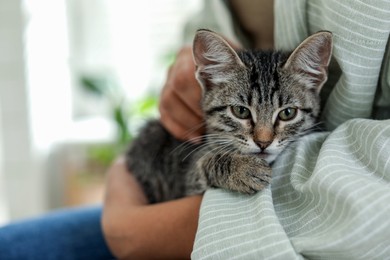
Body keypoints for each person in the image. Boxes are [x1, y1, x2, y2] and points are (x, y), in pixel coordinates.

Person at [1, 0, 390, 259]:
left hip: (170, 227)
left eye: (286, 115)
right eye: (242, 112)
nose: (263, 137)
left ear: (315, 81)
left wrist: (130, 229)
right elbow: (202, 26)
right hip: (146, 202)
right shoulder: (211, 136)